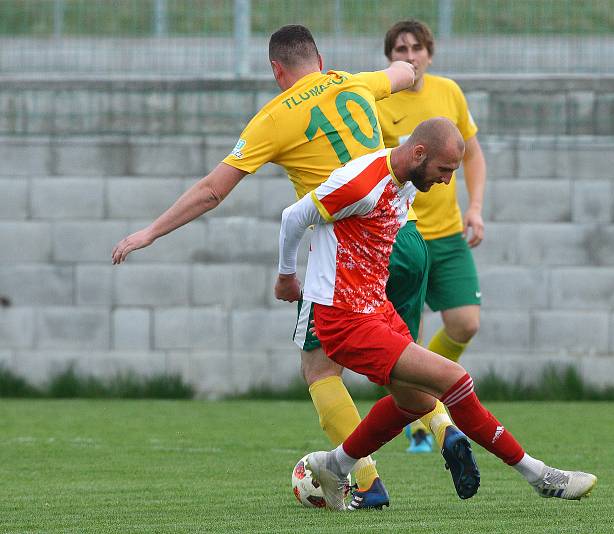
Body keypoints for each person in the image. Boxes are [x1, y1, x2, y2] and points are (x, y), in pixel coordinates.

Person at [110, 24, 463, 511]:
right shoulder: (352, 81)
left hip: (346, 251)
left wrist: (149, 232)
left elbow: (214, 190)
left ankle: (364, 480)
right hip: (405, 238)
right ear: (319, 58)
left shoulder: (274, 118)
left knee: (319, 367)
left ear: (277, 70)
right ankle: (444, 427)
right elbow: (402, 72)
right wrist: (407, 69)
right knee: (401, 359)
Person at [275, 118, 597, 511]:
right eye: (444, 171)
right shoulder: (361, 182)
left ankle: (334, 465)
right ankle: (541, 476)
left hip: (376, 308)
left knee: (416, 402)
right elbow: (294, 216)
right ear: (419, 153)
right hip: (344, 318)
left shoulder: (407, 180)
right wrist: (287, 277)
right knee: (454, 378)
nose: (446, 181)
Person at [376, 19, 487, 453]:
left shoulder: (449, 93)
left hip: (448, 235)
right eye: (399, 49)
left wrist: (475, 207)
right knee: (404, 343)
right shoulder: (380, 102)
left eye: (416, 47)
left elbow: (473, 154)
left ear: (429, 53)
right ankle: (424, 423)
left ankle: (433, 396)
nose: (409, 55)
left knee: (465, 322)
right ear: (389, 58)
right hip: (403, 238)